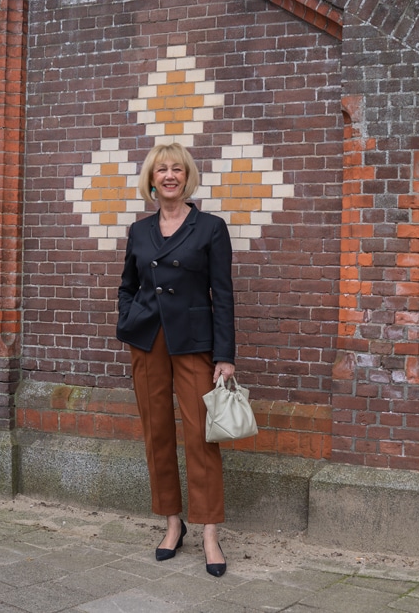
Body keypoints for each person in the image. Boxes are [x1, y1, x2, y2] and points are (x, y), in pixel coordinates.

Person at [116, 142, 235, 577]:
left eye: (177, 170)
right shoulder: (140, 230)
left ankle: (209, 533)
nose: (169, 176)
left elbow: (222, 295)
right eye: (161, 169)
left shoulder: (210, 228)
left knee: (202, 436)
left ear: (187, 177)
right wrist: (127, 319)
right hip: (148, 341)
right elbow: (127, 284)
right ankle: (172, 523)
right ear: (151, 178)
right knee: (157, 433)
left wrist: (225, 355)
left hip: (194, 343)